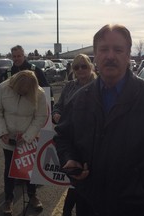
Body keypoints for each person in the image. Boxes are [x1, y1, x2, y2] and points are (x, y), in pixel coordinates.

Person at [53, 24, 144, 216]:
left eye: (118, 49)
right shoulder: (80, 98)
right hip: (89, 205)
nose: (110, 56)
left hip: (140, 208)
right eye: (104, 49)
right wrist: (70, 159)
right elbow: (63, 137)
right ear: (96, 56)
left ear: (128, 55)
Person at [0, 70, 48, 216]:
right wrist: (2, 132)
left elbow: (41, 116)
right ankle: (8, 199)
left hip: (28, 138)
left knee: (29, 168)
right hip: (8, 137)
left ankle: (32, 195)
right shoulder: (3, 88)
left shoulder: (39, 93)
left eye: (26, 92)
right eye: (19, 91)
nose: (22, 93)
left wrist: (28, 136)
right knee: (9, 169)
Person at [52, 54, 97, 216]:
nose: (80, 70)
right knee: (74, 179)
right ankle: (67, 210)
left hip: (91, 143)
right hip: (70, 141)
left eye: (83, 66)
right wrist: (56, 114)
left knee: (83, 182)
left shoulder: (99, 86)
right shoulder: (69, 86)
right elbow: (58, 106)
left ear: (90, 66)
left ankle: (67, 210)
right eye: (76, 67)